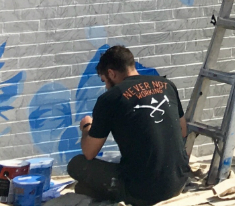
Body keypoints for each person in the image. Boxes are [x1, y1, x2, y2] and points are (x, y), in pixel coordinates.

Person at [71, 46, 191, 205]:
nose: (106, 86)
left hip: (144, 192)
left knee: (76, 165)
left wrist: (87, 126)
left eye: (104, 80)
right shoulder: (167, 85)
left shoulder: (109, 99)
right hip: (179, 181)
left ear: (111, 73)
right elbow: (183, 131)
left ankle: (109, 192)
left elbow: (89, 152)